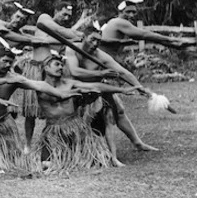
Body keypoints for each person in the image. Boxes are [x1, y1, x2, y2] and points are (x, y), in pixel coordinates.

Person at [0, 45, 79, 171]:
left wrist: (59, 94)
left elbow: (39, 85)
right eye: (4, 61)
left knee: (13, 158)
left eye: (10, 62)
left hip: (3, 122)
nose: (7, 65)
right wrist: (7, 80)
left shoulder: (14, 78)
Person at [64, 24, 156, 166]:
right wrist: (100, 73)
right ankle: (79, 152)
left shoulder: (101, 56)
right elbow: (75, 71)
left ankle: (136, 144)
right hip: (77, 92)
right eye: (92, 40)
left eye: (98, 41)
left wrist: (139, 87)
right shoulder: (72, 49)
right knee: (80, 123)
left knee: (117, 111)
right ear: (83, 38)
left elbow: (123, 72)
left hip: (99, 89)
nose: (95, 44)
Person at [34, 50, 137, 172]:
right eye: (57, 64)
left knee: (96, 160)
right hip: (54, 131)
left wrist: (121, 90)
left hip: (75, 128)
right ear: (46, 67)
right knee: (47, 165)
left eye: (62, 65)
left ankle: (83, 155)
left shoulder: (69, 83)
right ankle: (66, 157)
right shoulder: (39, 86)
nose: (61, 67)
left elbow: (96, 86)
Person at [18, 1, 82, 150]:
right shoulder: (45, 21)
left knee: (57, 104)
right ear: (56, 10)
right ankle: (27, 145)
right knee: (30, 111)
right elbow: (44, 40)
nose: (66, 18)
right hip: (35, 70)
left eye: (69, 16)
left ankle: (57, 138)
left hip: (53, 73)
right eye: (64, 13)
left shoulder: (62, 31)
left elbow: (61, 46)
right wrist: (72, 37)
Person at [101, 0, 191, 56]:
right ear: (120, 12)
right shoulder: (119, 22)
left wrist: (171, 44)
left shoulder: (114, 22)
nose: (131, 15)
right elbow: (144, 34)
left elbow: (146, 37)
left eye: (134, 12)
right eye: (128, 12)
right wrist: (171, 40)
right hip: (104, 60)